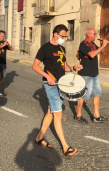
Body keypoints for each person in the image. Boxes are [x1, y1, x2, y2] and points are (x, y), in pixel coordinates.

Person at [32, 24, 82, 157]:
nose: (64, 38)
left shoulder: (62, 48)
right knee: (58, 114)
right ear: (55, 34)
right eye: (62, 36)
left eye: (65, 36)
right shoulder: (45, 48)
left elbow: (64, 66)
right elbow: (35, 66)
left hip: (61, 84)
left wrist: (73, 67)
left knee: (50, 112)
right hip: (51, 85)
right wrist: (47, 77)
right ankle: (65, 147)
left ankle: (39, 137)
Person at [75, 28, 109, 124]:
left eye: (96, 34)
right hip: (86, 74)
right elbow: (91, 55)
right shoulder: (83, 44)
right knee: (83, 95)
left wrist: (102, 45)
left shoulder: (92, 44)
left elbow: (100, 52)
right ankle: (78, 115)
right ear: (88, 34)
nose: (96, 35)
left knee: (97, 94)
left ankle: (96, 116)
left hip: (94, 74)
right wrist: (103, 45)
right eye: (94, 34)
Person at [0, 30, 12, 97]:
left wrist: (8, 44)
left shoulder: (4, 42)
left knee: (1, 77)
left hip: (3, 62)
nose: (2, 37)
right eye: (1, 36)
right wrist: (2, 45)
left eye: (3, 36)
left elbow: (11, 49)